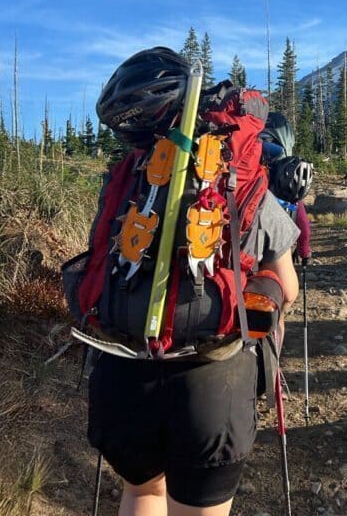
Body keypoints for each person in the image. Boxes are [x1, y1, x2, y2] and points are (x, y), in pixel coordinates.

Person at [86, 49, 300, 516]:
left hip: (123, 369)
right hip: (211, 379)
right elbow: (288, 283)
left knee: (141, 493)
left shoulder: (131, 179)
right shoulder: (239, 176)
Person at [260, 112, 313, 267]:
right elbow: (302, 222)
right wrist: (304, 251)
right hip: (278, 252)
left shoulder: (248, 173)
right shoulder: (288, 182)